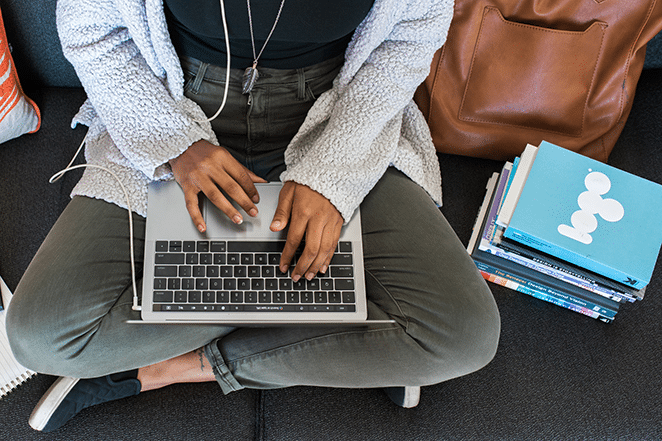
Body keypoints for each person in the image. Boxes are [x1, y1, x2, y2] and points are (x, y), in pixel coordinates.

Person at [6, 0, 501, 432]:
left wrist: (332, 175)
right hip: (176, 106)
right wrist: (175, 143)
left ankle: (169, 368)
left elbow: (412, 35)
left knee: (464, 334)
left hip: (335, 117)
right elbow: (91, 27)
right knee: (39, 336)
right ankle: (357, 346)